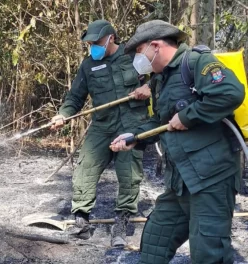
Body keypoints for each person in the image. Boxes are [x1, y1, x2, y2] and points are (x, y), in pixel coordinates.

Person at [110, 20, 245, 263]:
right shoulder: (160, 79)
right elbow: (162, 121)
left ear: (155, 46)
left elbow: (230, 92)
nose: (136, 60)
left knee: (208, 254)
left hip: (211, 180)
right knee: (154, 242)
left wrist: (188, 116)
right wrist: (135, 137)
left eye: (139, 52)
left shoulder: (196, 62)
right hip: (181, 181)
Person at [51, 20, 151, 246]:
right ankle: (82, 223)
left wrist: (149, 87)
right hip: (102, 125)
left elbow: (163, 76)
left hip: (131, 124)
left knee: (128, 174)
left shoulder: (135, 56)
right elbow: (75, 97)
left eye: (96, 42)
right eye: (90, 43)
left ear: (111, 38)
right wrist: (62, 114)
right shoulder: (88, 65)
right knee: (85, 166)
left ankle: (122, 223)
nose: (92, 47)